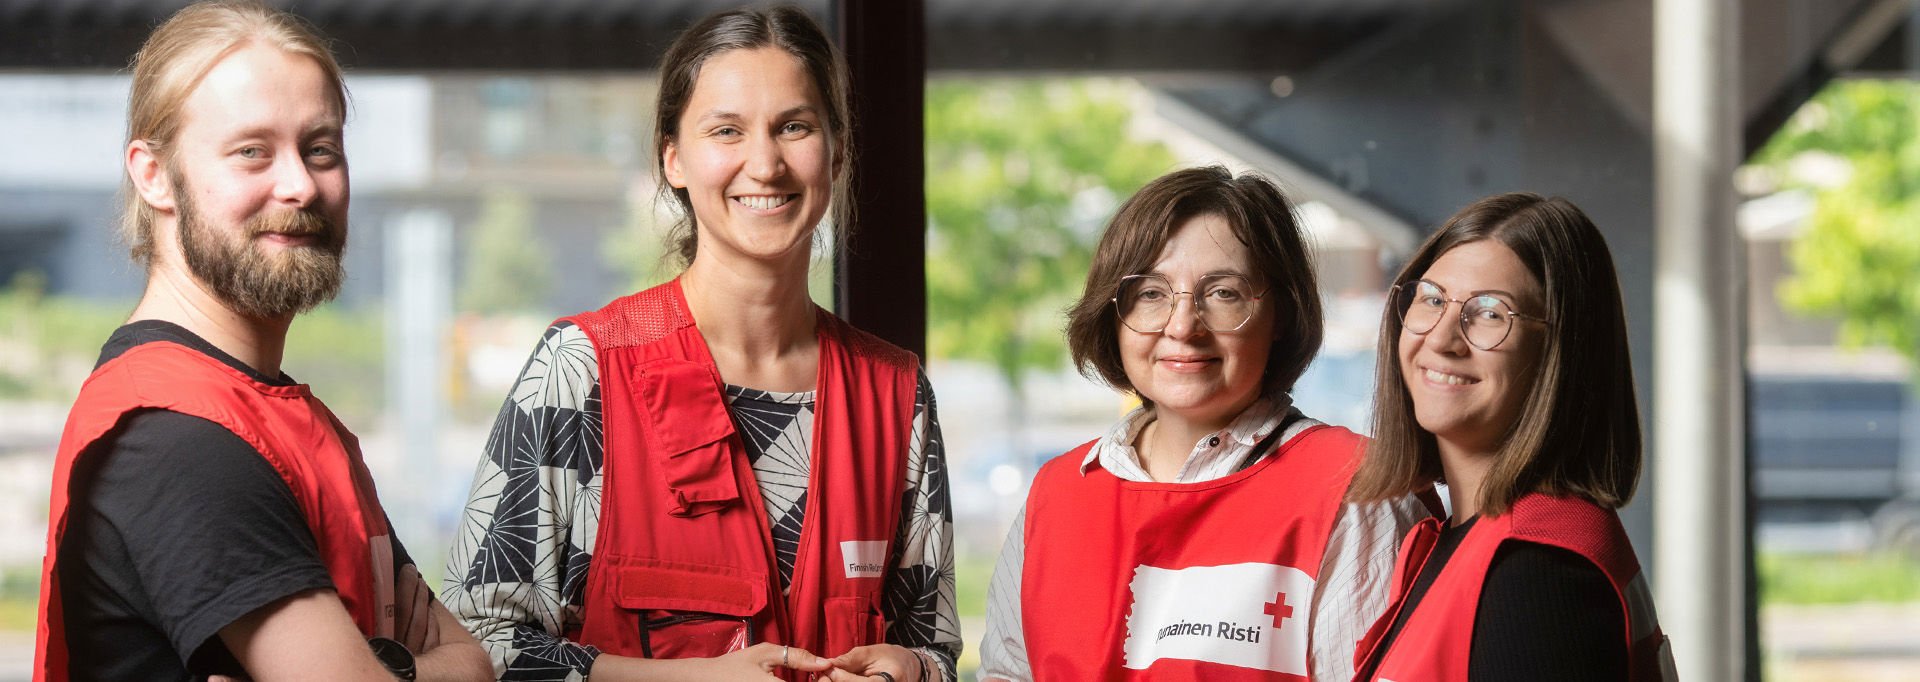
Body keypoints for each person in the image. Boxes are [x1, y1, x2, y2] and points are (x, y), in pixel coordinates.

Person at [443, 6, 959, 681]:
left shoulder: (896, 395)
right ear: (675, 159)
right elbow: (480, 645)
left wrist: (909, 669)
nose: (766, 163)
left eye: (794, 127)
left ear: (838, 153)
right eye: (727, 131)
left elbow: (939, 652)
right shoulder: (581, 370)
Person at [33, 2, 492, 680]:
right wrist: (426, 666)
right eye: (252, 152)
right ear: (154, 175)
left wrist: (402, 666)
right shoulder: (176, 438)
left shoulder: (274, 416)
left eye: (321, 149)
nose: (300, 184)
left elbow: (479, 665)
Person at [977, 166, 1434, 681]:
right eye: (1150, 293)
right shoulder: (1056, 494)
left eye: (1223, 293)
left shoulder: (1355, 487)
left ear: (1281, 314)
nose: (1182, 326)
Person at [1346, 193, 1676, 681]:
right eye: (1432, 299)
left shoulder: (1538, 572)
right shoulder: (1455, 543)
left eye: (1490, 313)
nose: (1441, 339)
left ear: (1560, 352)